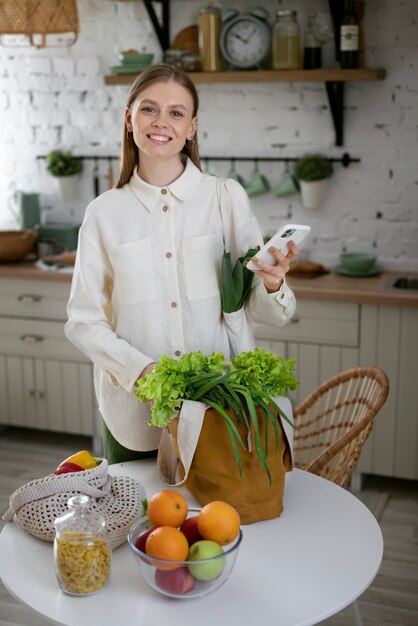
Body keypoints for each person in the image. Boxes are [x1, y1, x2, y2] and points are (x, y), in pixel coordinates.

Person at [65, 64, 298, 464]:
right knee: (139, 523)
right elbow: (83, 322)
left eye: (176, 113)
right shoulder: (104, 214)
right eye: (149, 109)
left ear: (191, 127)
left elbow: (259, 310)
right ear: (129, 118)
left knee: (220, 524)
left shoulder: (226, 198)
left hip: (220, 409)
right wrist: (141, 371)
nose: (161, 122)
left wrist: (273, 285)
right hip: (135, 419)